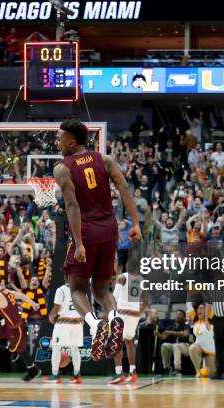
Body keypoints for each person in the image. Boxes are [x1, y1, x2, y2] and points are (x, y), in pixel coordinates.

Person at [53, 119, 142, 362]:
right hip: (110, 229)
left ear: (71, 142)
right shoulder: (104, 159)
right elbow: (124, 188)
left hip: (87, 230)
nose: (57, 141)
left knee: (77, 290)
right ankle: (113, 319)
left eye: (60, 137)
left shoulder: (63, 168)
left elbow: (72, 205)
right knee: (102, 289)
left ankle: (94, 326)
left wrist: (79, 243)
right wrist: (135, 223)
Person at [0, 273, 41, 381]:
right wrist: (33, 303)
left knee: (21, 350)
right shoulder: (6, 291)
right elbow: (21, 296)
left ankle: (33, 370)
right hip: (8, 325)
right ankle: (9, 345)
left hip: (15, 327)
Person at [108, 266, 147, 384]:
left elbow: (114, 296)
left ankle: (119, 373)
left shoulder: (122, 277)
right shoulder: (141, 280)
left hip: (123, 312)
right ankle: (132, 371)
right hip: (134, 314)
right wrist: (137, 313)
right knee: (129, 341)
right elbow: (145, 302)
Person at [43, 277, 84, 384]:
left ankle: (55, 375)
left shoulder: (61, 290)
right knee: (75, 349)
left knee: (56, 348)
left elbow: (57, 307)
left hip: (64, 322)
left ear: (65, 278)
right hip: (78, 323)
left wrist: (51, 315)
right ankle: (77, 376)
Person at [158, 309, 191, 375]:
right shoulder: (171, 326)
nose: (178, 316)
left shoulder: (186, 326)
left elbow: (185, 335)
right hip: (175, 346)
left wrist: (171, 332)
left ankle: (177, 369)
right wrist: (158, 334)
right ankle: (167, 368)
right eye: (177, 314)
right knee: (164, 345)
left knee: (176, 345)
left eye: (180, 314)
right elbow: (163, 337)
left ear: (184, 317)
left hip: (186, 346)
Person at [188, 303, 215, 378]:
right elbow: (189, 304)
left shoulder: (212, 318)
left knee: (209, 374)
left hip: (211, 351)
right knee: (192, 348)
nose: (199, 310)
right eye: (198, 308)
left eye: (202, 308)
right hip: (199, 347)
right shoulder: (196, 319)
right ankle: (197, 371)